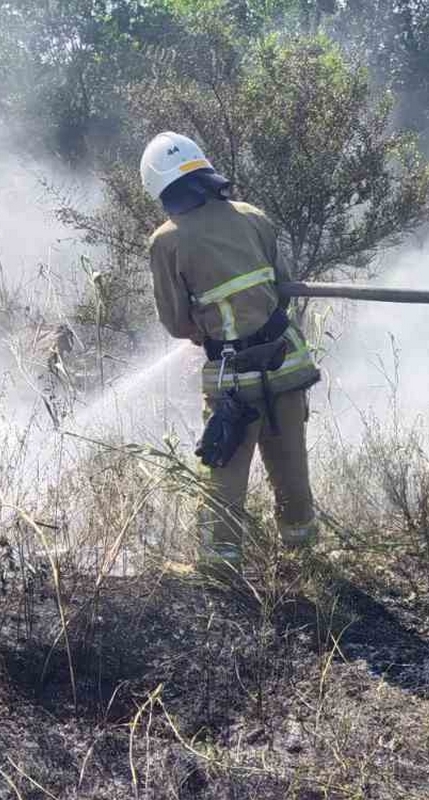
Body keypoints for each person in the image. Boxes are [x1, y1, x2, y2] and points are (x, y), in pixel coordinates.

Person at [141, 131, 321, 569]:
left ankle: (220, 569)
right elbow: (282, 289)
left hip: (235, 381)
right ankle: (304, 557)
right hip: (286, 363)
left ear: (160, 189)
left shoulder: (167, 241)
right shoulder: (254, 217)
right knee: (291, 468)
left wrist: (206, 330)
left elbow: (176, 322)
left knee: (224, 475)